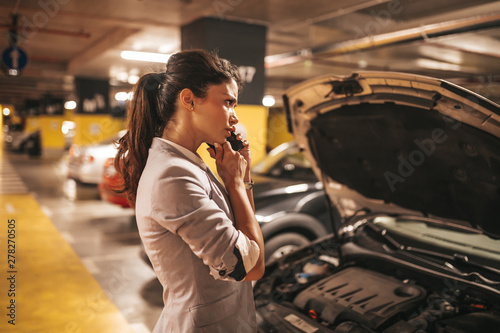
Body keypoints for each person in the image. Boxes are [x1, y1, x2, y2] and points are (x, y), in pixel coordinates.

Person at [115, 49, 265, 332]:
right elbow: (251, 267)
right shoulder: (173, 176)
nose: (234, 118)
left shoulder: (187, 163)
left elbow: (246, 244)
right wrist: (233, 184)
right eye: (228, 102)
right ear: (189, 100)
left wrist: (241, 179)